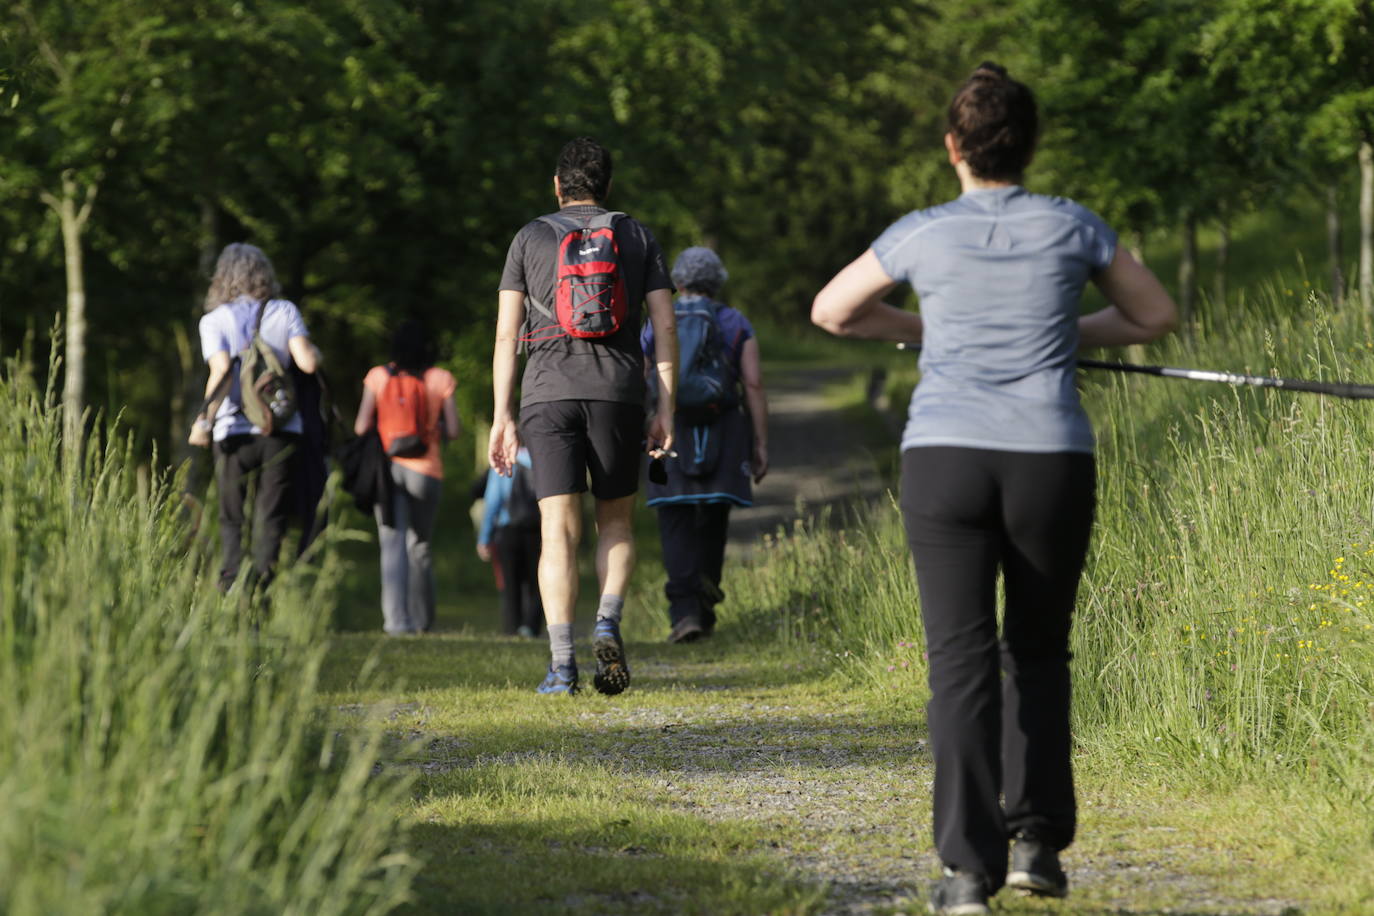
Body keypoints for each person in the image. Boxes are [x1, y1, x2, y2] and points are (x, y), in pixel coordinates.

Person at [811, 63, 1178, 915]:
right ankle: (1038, 846)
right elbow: (1153, 315)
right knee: (1040, 652)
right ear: (1031, 145)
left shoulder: (922, 232)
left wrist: (927, 326)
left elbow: (835, 310)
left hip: (945, 457)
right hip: (1049, 456)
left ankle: (967, 873)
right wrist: (1065, 327)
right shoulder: (1074, 226)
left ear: (953, 148)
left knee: (959, 663)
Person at [490, 136, 677, 696]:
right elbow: (664, 327)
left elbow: (505, 333)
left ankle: (563, 665)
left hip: (547, 393)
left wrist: (501, 413)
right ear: (608, 185)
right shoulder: (636, 235)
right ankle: (607, 620)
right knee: (615, 521)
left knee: (555, 533)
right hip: (617, 391)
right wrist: (666, 404)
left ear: (557, 185)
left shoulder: (528, 237)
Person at [641, 247, 768, 643]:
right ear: (717, 282)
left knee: (674, 519)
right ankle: (706, 605)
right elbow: (752, 384)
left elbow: (643, 376)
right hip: (723, 429)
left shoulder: (658, 321)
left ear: (677, 282)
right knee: (713, 519)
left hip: (668, 427)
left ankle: (683, 614)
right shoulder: (734, 322)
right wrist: (759, 442)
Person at [189, 242, 319, 594]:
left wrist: (203, 422)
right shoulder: (285, 310)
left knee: (232, 516)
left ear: (222, 277)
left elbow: (221, 373)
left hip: (232, 432)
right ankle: (260, 595)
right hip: (280, 428)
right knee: (270, 516)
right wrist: (313, 350)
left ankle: (230, 589)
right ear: (264, 274)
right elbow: (307, 363)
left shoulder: (214, 321)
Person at [354, 319, 460, 635]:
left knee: (391, 544)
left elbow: (360, 427)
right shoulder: (441, 378)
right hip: (426, 471)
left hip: (386, 470)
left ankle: (396, 622)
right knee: (420, 545)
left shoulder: (378, 376)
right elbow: (453, 430)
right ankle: (422, 621)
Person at [477, 446, 543, 638]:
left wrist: (484, 538)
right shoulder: (542, 459)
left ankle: (512, 630)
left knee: (510, 583)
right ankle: (531, 627)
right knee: (538, 581)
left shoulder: (504, 462)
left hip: (508, 529)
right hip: (538, 529)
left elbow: (493, 502)